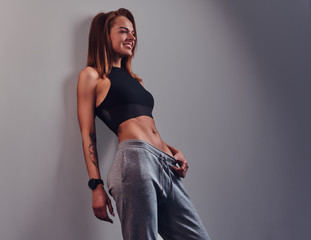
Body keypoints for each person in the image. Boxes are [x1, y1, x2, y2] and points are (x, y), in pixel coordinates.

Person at [77, 8, 211, 240]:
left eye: (133, 33)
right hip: (135, 162)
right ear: (104, 35)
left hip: (165, 165)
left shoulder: (134, 80)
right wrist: (95, 185)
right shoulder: (93, 75)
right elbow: (88, 133)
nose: (131, 37)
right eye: (123, 31)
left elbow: (141, 123)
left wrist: (171, 150)